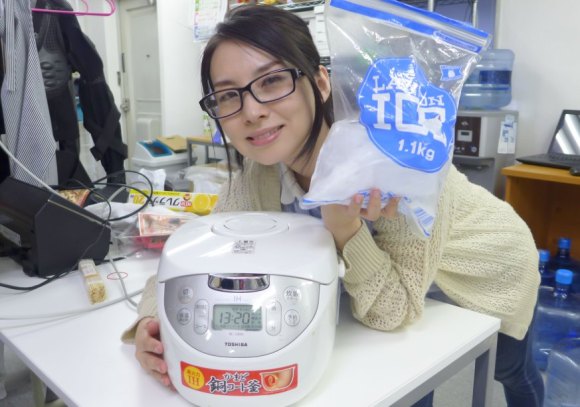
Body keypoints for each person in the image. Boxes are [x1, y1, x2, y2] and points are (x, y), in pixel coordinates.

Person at [121, 5, 544, 406]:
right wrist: (150, 324)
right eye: (228, 96)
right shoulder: (257, 174)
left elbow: (393, 310)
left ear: (321, 82)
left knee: (509, 371)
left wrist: (345, 229)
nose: (251, 111)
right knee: (405, 375)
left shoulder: (388, 161)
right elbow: (193, 260)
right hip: (398, 282)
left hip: (483, 266)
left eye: (271, 81)